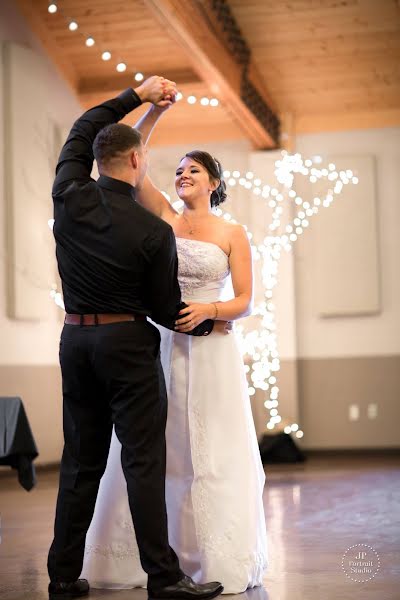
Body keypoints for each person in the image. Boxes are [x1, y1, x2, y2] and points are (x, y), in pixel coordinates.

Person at [81, 97, 268, 593]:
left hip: (211, 351)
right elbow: (133, 158)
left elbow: (246, 301)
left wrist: (210, 309)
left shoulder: (232, 233)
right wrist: (154, 111)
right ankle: (151, 559)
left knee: (211, 451)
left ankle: (213, 554)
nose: (183, 175)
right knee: (156, 448)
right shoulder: (162, 215)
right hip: (161, 346)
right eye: (179, 169)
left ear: (213, 182)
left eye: (193, 170)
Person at [47, 76, 224, 600]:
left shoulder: (68, 194)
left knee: (80, 461)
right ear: (137, 163)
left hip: (75, 342)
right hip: (126, 346)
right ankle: (163, 579)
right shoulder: (153, 232)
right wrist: (213, 320)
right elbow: (167, 309)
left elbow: (84, 127)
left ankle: (61, 576)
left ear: (98, 159)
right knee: (142, 461)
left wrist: (137, 96)